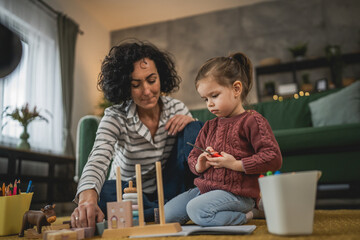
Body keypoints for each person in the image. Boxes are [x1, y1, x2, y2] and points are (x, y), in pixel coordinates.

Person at [71, 40, 203, 228]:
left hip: (168, 188)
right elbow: (98, 157)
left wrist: (192, 124)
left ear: (161, 77)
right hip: (127, 192)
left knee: (194, 128)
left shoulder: (177, 108)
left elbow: (192, 154)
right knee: (106, 193)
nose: (147, 91)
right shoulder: (115, 116)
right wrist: (86, 202)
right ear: (125, 86)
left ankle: (167, 207)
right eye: (136, 84)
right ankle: (168, 210)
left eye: (151, 80)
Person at [164, 52, 282, 226]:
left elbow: (273, 157)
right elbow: (193, 156)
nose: (209, 104)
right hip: (205, 190)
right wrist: (200, 164)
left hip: (238, 194)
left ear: (236, 89)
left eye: (214, 96)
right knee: (167, 216)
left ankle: (249, 213)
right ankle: (213, 211)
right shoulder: (209, 126)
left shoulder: (252, 120)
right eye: (205, 99)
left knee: (197, 211)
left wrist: (235, 165)